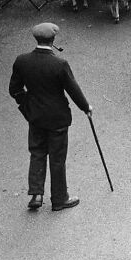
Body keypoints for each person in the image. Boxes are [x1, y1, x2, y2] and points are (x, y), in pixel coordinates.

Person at [9, 22, 91, 211]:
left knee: (37, 153)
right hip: (58, 120)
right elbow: (73, 90)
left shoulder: (22, 61)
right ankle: (59, 199)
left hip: (35, 118)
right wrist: (86, 108)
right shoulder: (59, 64)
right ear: (53, 40)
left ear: (36, 39)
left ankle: (36, 195)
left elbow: (14, 89)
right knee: (57, 158)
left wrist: (26, 106)